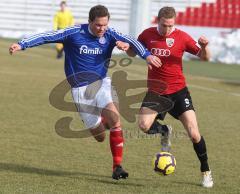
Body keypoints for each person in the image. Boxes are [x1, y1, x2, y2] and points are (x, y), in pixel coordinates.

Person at [9, 5, 161, 180]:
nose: (102, 29)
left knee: (114, 116)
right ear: (90, 22)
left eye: (105, 25)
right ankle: (101, 120)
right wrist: (22, 44)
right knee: (100, 136)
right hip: (80, 91)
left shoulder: (110, 33)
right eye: (98, 25)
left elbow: (132, 41)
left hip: (102, 83)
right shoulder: (73, 33)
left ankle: (117, 166)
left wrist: (146, 55)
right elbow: (47, 36)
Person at [126, 6, 213, 188]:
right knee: (143, 126)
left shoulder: (181, 37)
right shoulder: (147, 35)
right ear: (157, 21)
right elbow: (132, 53)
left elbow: (204, 58)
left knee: (194, 134)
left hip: (178, 91)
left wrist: (205, 47)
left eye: (171, 25)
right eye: (164, 25)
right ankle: (164, 131)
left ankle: (206, 171)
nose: (168, 29)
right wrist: (127, 47)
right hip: (156, 92)